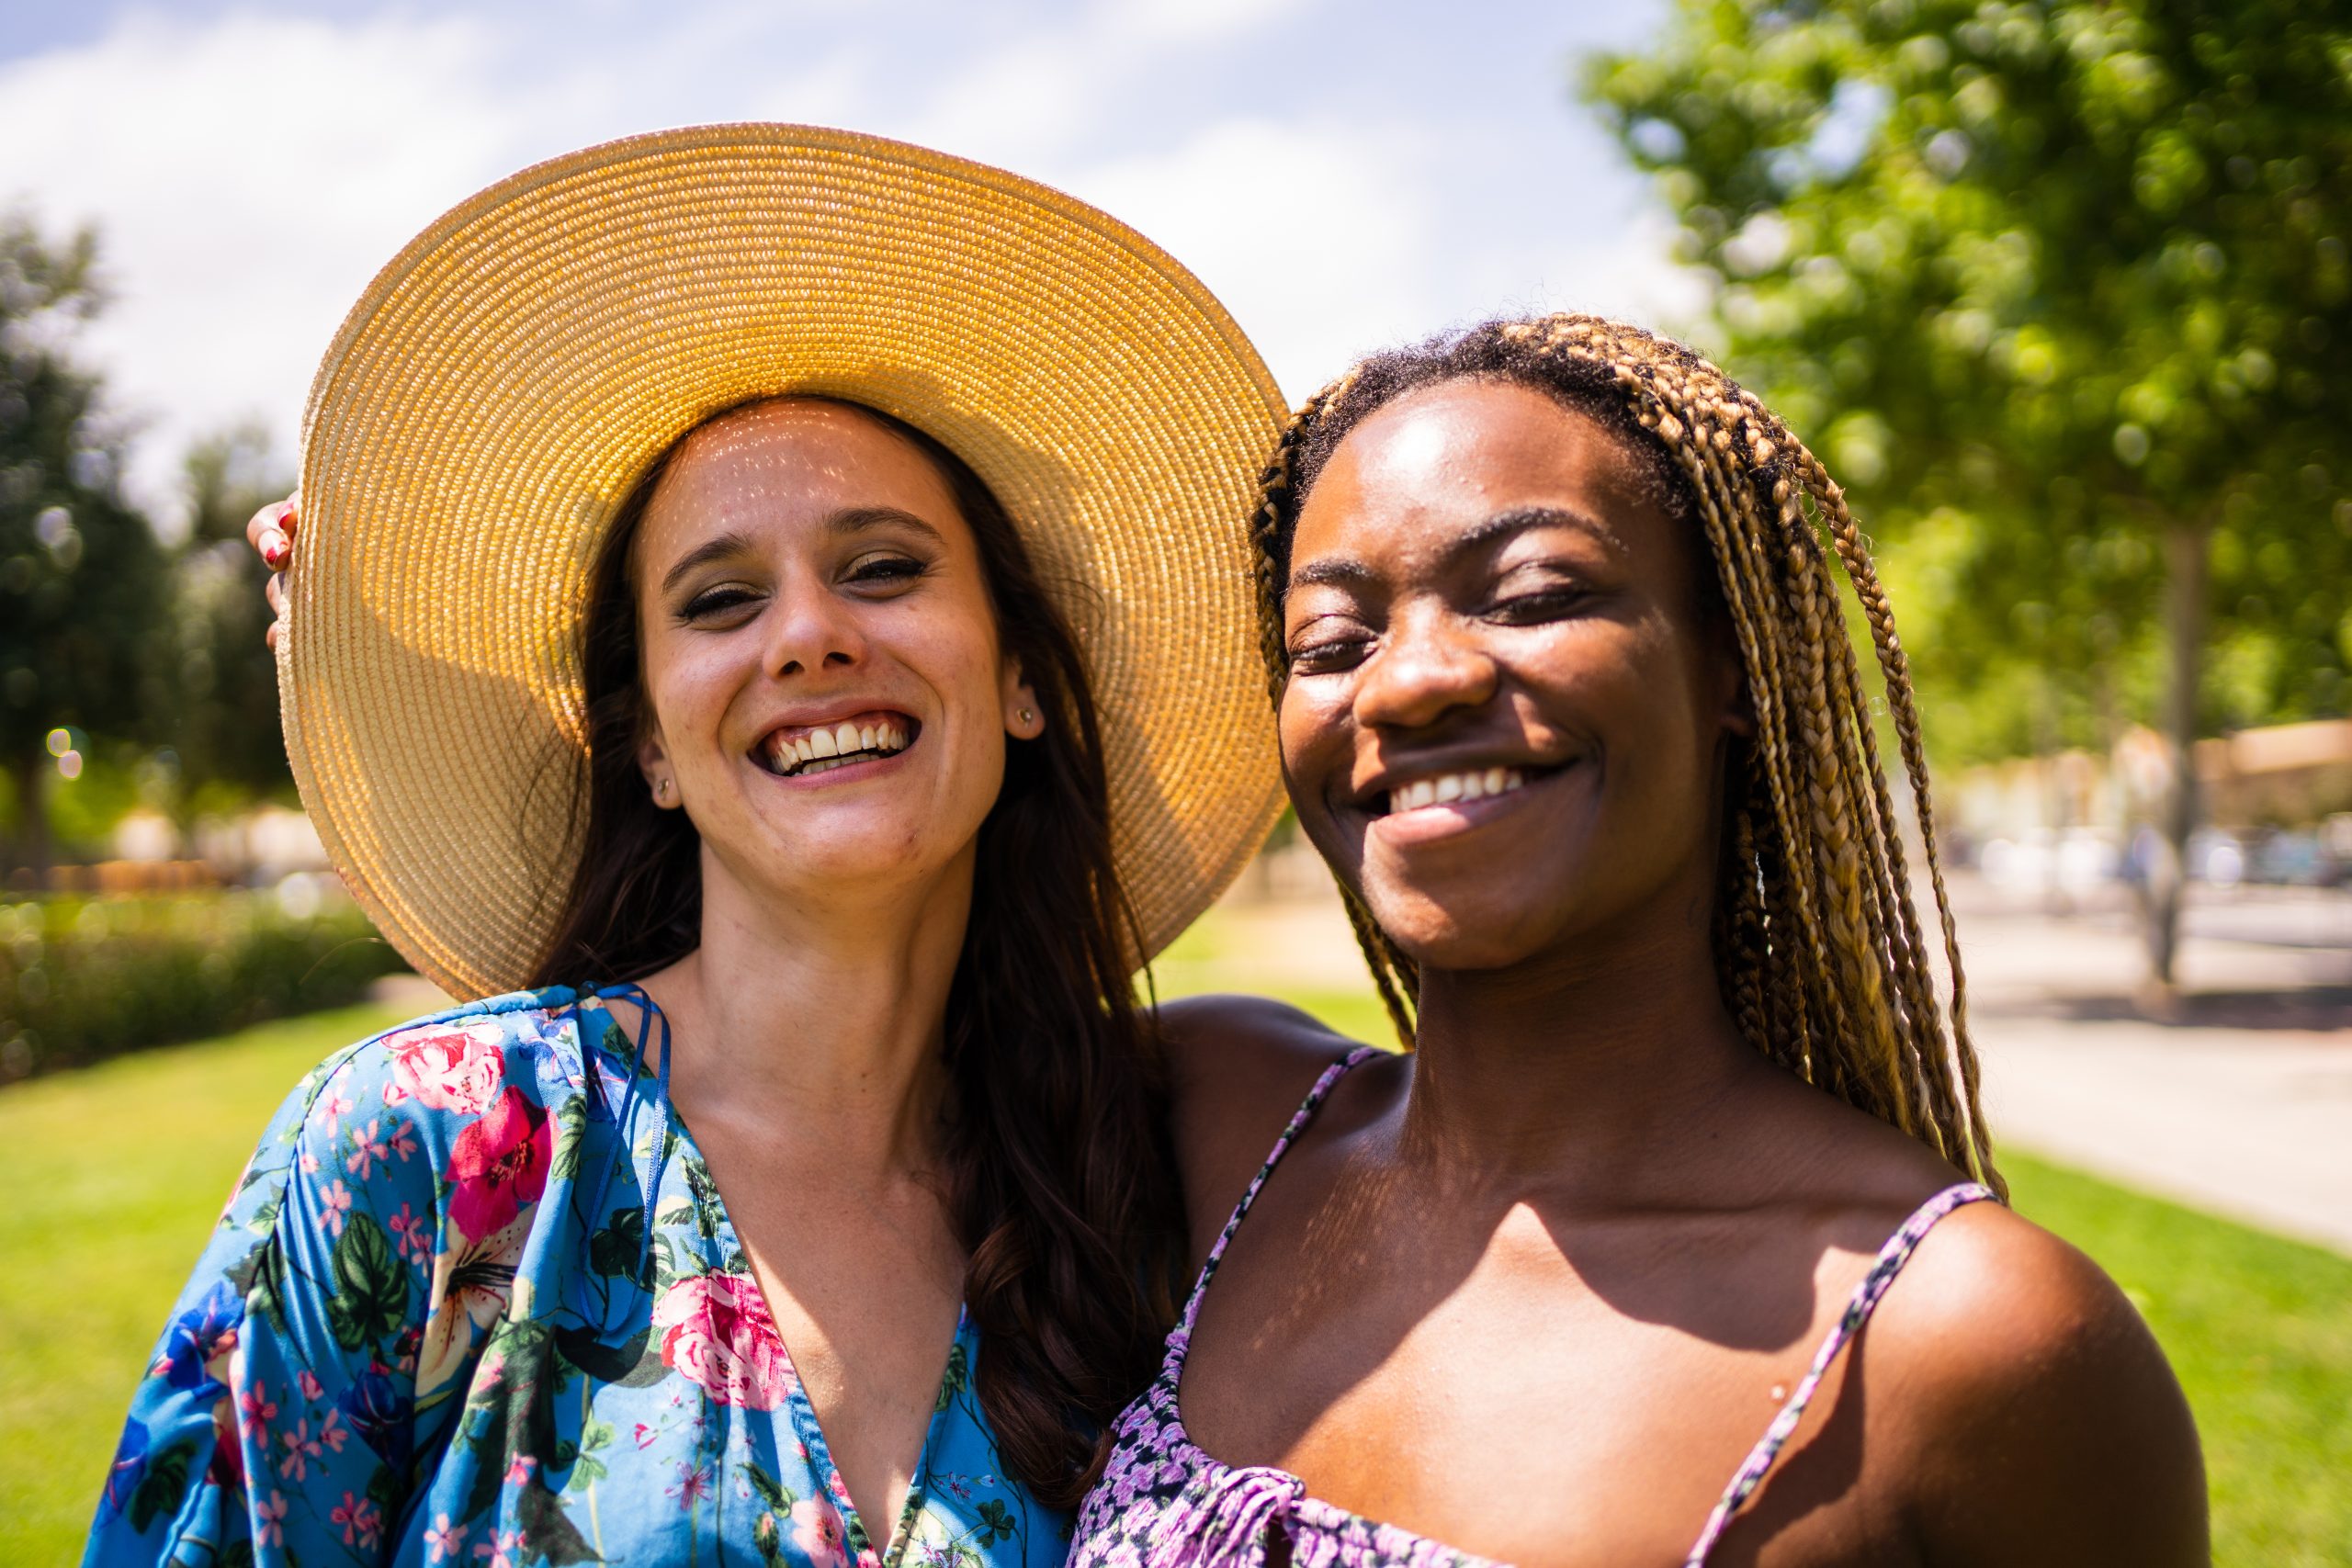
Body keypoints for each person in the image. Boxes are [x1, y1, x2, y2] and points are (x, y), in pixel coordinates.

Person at [86, 124, 1290, 1568]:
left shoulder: (1137, 1194)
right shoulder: (433, 1143)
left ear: (1023, 676)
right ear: (651, 745)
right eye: (719, 602)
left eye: (885, 568)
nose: (810, 634)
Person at [1072, 317, 2208, 1567]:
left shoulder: (1965, 1344)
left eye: (1535, 597)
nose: (1409, 683)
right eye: (1333, 644)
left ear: (1732, 665)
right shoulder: (1205, 1122)